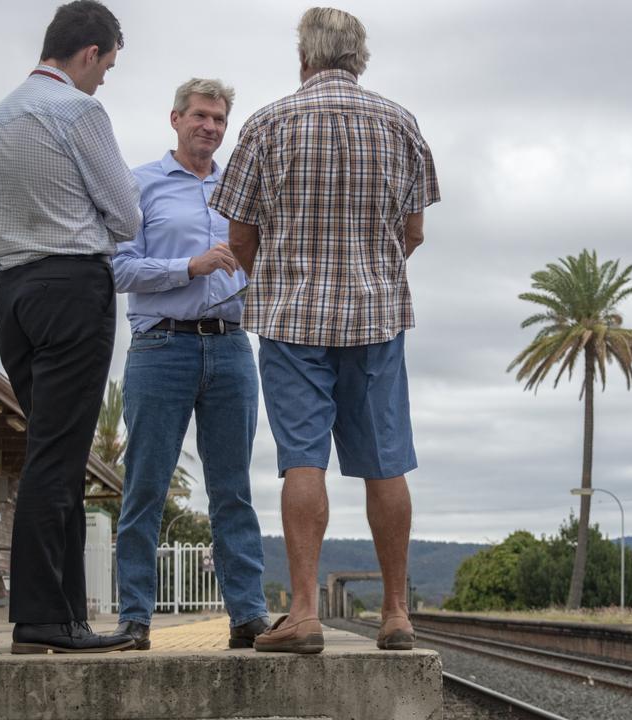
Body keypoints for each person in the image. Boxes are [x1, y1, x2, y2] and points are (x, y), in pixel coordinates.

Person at [209, 7, 440, 653]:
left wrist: (282, 279)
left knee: (303, 460)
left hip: (292, 322)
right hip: (377, 319)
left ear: (304, 58)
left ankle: (305, 614)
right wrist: (369, 273)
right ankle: (397, 615)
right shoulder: (401, 123)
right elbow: (414, 230)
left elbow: (240, 233)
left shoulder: (266, 123)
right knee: (386, 462)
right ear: (358, 58)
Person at [0, 0, 139, 653]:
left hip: (13, 288)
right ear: (89, 53)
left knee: (57, 450)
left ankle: (68, 615)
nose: (105, 78)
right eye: (108, 65)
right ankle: (43, 617)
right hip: (71, 285)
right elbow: (127, 217)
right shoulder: (80, 110)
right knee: (58, 454)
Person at [111, 78, 270, 651]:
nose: (210, 127)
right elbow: (118, 270)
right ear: (175, 119)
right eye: (200, 116)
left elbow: (261, 264)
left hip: (230, 348)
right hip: (161, 348)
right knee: (146, 486)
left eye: (219, 120)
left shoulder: (242, 190)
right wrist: (190, 267)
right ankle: (134, 619)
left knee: (233, 490)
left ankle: (248, 615)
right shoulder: (140, 185)